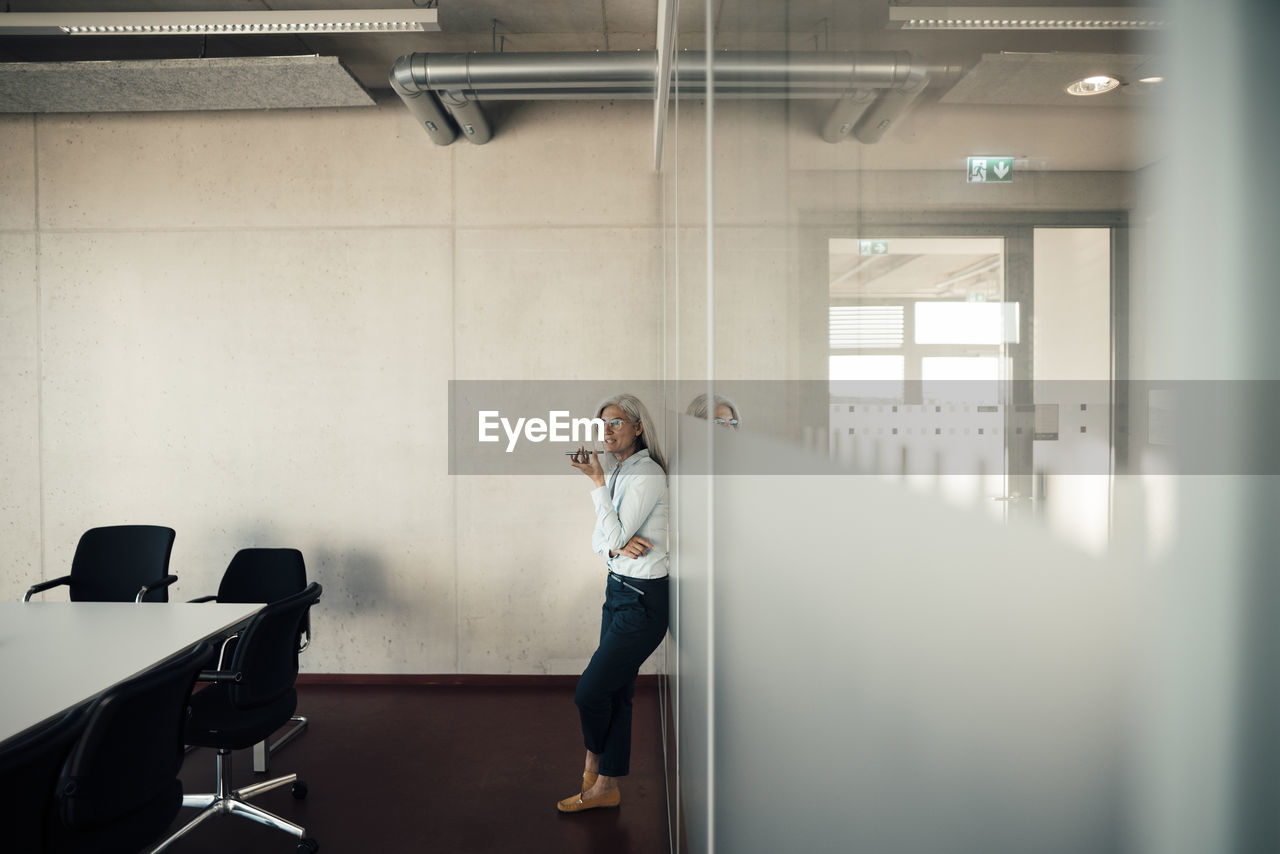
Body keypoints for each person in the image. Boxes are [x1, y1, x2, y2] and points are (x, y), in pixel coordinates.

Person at [560, 393, 669, 813]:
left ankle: (592, 766)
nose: (607, 431)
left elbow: (612, 536)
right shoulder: (623, 471)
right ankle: (605, 786)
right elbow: (602, 540)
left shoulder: (646, 475)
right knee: (618, 694)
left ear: (638, 428)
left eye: (617, 422)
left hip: (641, 601)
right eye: (603, 424)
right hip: (618, 591)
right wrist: (614, 546)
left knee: (589, 692)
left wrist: (597, 484)